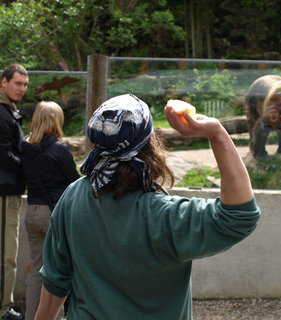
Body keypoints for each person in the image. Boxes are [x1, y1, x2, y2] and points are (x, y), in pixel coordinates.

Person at [34, 94, 260, 320]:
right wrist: (217, 134)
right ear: (151, 143)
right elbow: (240, 216)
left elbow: (55, 279)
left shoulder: (73, 196)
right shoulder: (164, 215)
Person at [21, 101, 79, 320]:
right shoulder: (59, 149)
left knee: (36, 269)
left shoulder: (25, 147)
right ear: (56, 120)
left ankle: (32, 316)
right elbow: (73, 182)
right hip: (53, 214)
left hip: (32, 212)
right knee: (59, 269)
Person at [0, 64, 28, 320]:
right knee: (6, 255)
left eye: (25, 84)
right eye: (17, 83)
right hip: (4, 192)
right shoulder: (2, 112)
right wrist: (29, 164)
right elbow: (4, 153)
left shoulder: (8, 111)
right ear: (3, 82)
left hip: (9, 189)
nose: (22, 88)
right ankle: (3, 310)